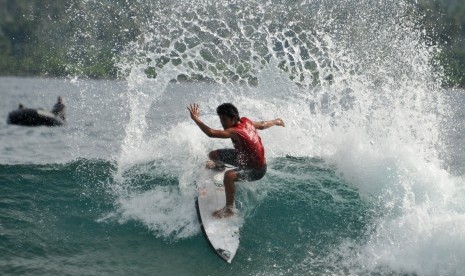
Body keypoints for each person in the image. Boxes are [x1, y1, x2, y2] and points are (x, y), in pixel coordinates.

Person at [187, 103, 285, 218]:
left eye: (224, 119)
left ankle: (229, 210)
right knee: (213, 155)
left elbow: (211, 133)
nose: (222, 123)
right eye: (220, 119)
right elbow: (262, 125)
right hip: (243, 157)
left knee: (229, 176)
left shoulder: (235, 131)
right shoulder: (245, 121)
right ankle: (219, 166)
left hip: (257, 170)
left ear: (233, 118)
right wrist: (276, 121)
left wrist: (196, 119)